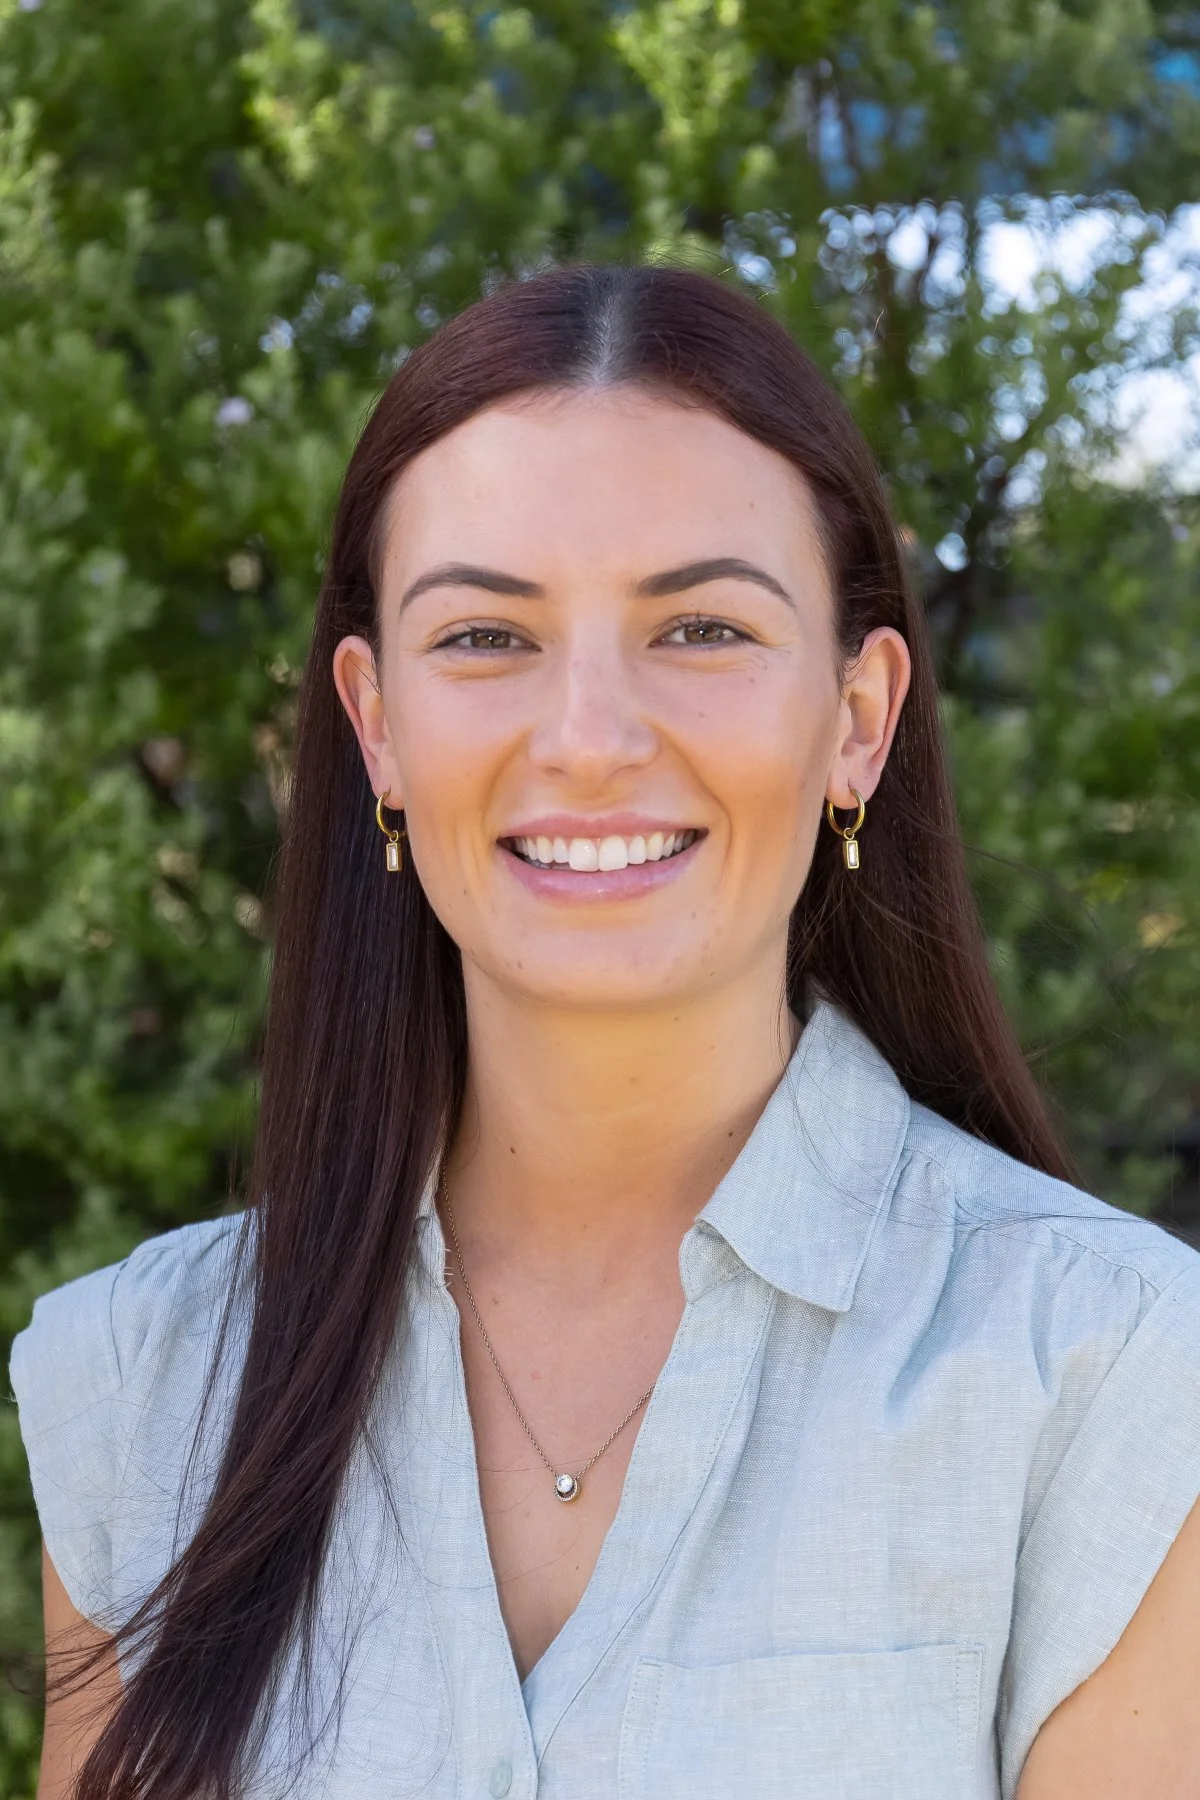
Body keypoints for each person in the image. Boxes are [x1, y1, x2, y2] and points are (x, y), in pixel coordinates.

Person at [11, 262, 1200, 1800]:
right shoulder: (145, 1387)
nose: (587, 739)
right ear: (376, 725)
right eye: (484, 638)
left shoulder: (1114, 1380)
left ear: (858, 719)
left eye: (700, 627)